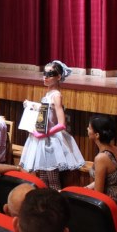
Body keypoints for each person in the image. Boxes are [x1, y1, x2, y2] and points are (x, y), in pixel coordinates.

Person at [19, 60, 85, 190]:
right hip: (43, 139)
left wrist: (44, 134)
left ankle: (54, 201)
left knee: (53, 180)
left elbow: (61, 124)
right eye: (44, 74)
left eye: (50, 74)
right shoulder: (49, 94)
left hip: (51, 141)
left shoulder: (56, 96)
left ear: (58, 77)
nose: (45, 77)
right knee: (43, 179)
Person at [85, 115, 117, 208]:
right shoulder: (114, 149)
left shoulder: (101, 158)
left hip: (108, 207)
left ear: (97, 135)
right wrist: (86, 188)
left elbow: (98, 195)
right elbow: (106, 181)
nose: (87, 129)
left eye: (89, 128)